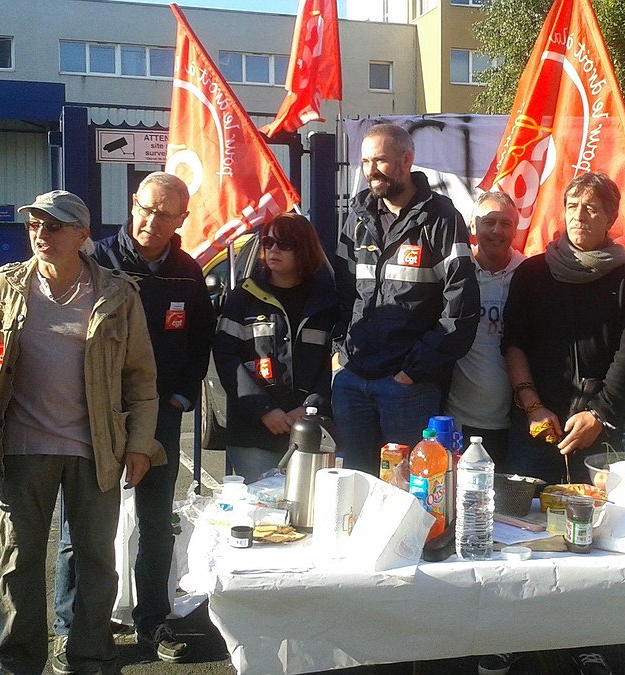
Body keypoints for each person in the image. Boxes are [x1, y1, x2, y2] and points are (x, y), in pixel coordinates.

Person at [0, 190, 162, 675]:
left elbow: (141, 380)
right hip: (22, 448)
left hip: (95, 449)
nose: (41, 234)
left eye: (54, 226)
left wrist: (140, 444)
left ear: (82, 234)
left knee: (96, 562)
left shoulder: (117, 294)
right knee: (18, 561)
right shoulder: (1, 288)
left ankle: (90, 656)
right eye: (34, 224)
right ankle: (15, 662)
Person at [50, 172, 216, 663]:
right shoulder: (97, 261)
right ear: (132, 204)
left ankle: (152, 620)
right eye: (145, 208)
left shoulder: (187, 273)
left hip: (159, 415)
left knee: (156, 524)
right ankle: (72, 626)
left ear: (182, 219)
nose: (151, 221)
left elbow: (199, 340)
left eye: (165, 214)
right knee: (80, 528)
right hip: (96, 414)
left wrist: (180, 398)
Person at [498, 173, 625, 675]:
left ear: (611, 218)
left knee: (590, 540)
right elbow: (513, 343)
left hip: (597, 430)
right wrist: (531, 405)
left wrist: (599, 416)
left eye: (591, 208)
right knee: (521, 534)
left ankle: (586, 638)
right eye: (572, 205)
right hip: (535, 423)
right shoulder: (533, 273)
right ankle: (512, 634)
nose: (580, 215)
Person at [333, 122, 480, 472]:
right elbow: (340, 294)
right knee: (354, 486)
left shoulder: (441, 218)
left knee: (410, 490)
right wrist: (340, 355)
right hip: (353, 380)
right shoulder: (358, 217)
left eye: (380, 160)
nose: (371, 170)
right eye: (366, 162)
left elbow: (461, 308)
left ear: (406, 159)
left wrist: (413, 371)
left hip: (407, 388)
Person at [214, 213, 339, 478]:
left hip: (311, 430)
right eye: (268, 242)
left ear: (304, 248)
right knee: (260, 502)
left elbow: (335, 360)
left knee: (308, 502)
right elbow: (226, 357)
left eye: (284, 244)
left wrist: (310, 407)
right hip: (253, 432)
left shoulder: (327, 301)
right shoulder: (244, 297)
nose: (273, 249)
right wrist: (264, 410)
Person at [445, 191, 525, 469]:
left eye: (505, 223)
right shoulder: (455, 271)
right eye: (488, 222)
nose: (496, 231)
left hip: (513, 423)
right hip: (456, 419)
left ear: (515, 229)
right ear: (473, 226)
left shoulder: (529, 274)